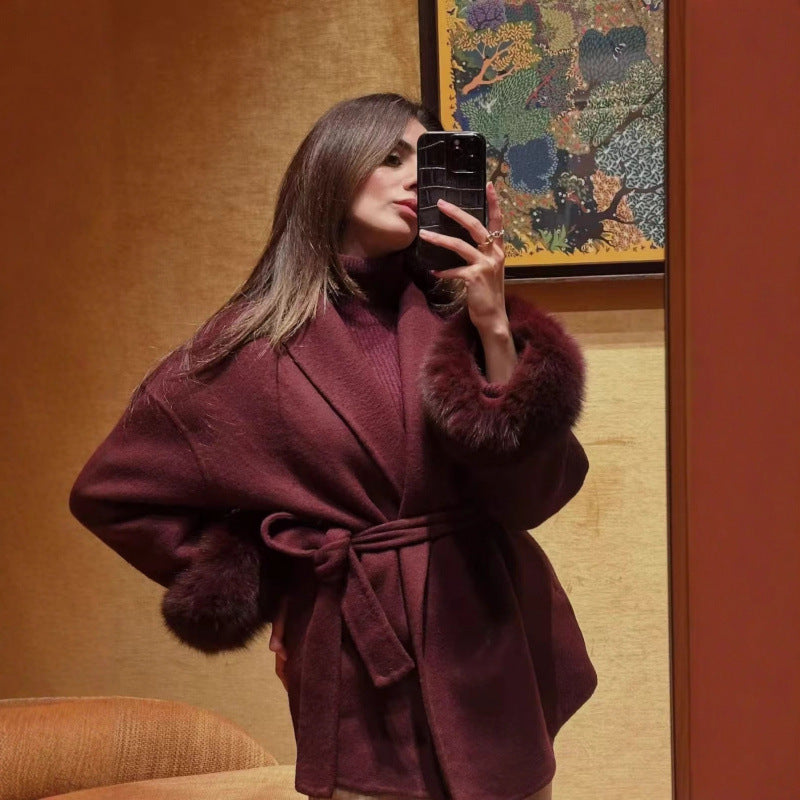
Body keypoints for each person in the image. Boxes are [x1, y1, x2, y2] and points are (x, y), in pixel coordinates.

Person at [69, 93, 597, 800]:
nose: (413, 178)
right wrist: (281, 581)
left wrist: (495, 324)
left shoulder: (459, 319)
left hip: (491, 648)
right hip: (361, 669)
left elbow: (534, 497)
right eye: (390, 157)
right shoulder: (249, 347)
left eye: (427, 161)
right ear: (332, 169)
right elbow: (113, 495)